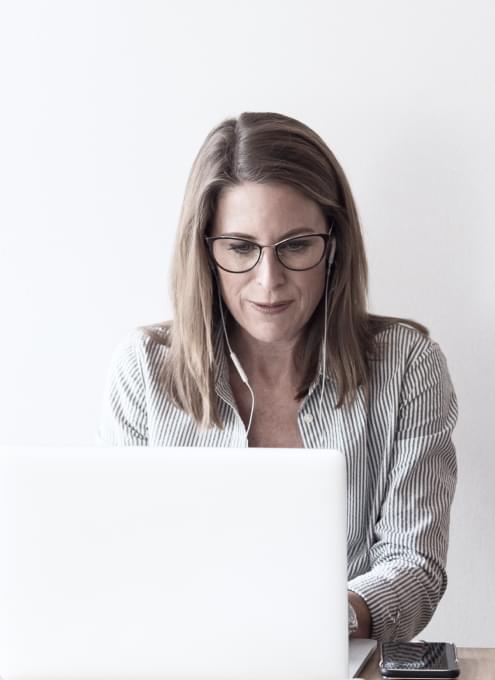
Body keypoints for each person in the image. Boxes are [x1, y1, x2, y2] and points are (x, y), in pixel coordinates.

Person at [97, 111, 458, 642]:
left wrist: (318, 623)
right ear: (206, 250)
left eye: (295, 245)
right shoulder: (143, 370)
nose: (269, 281)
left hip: (336, 659)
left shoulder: (406, 366)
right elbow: (120, 560)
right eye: (241, 247)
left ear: (333, 245)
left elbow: (415, 564)